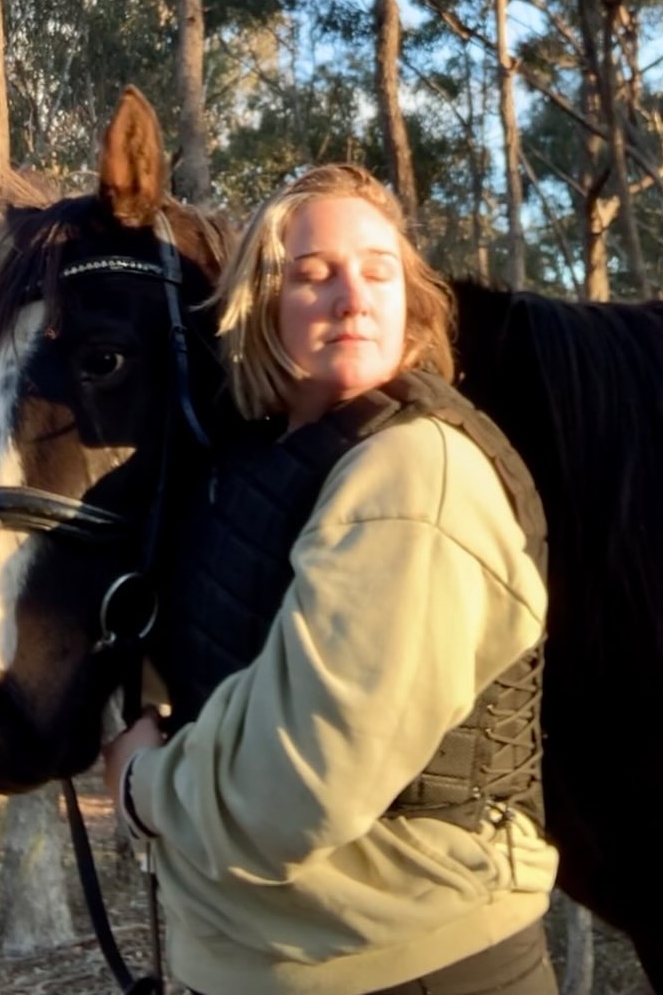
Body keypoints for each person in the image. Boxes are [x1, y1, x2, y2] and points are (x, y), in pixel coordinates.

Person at [103, 164, 558, 995]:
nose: (352, 296)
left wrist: (140, 788)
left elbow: (289, 788)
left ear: (411, 306)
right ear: (263, 305)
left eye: (378, 271)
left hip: (412, 968)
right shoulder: (254, 467)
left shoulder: (414, 476)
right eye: (314, 275)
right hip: (268, 963)